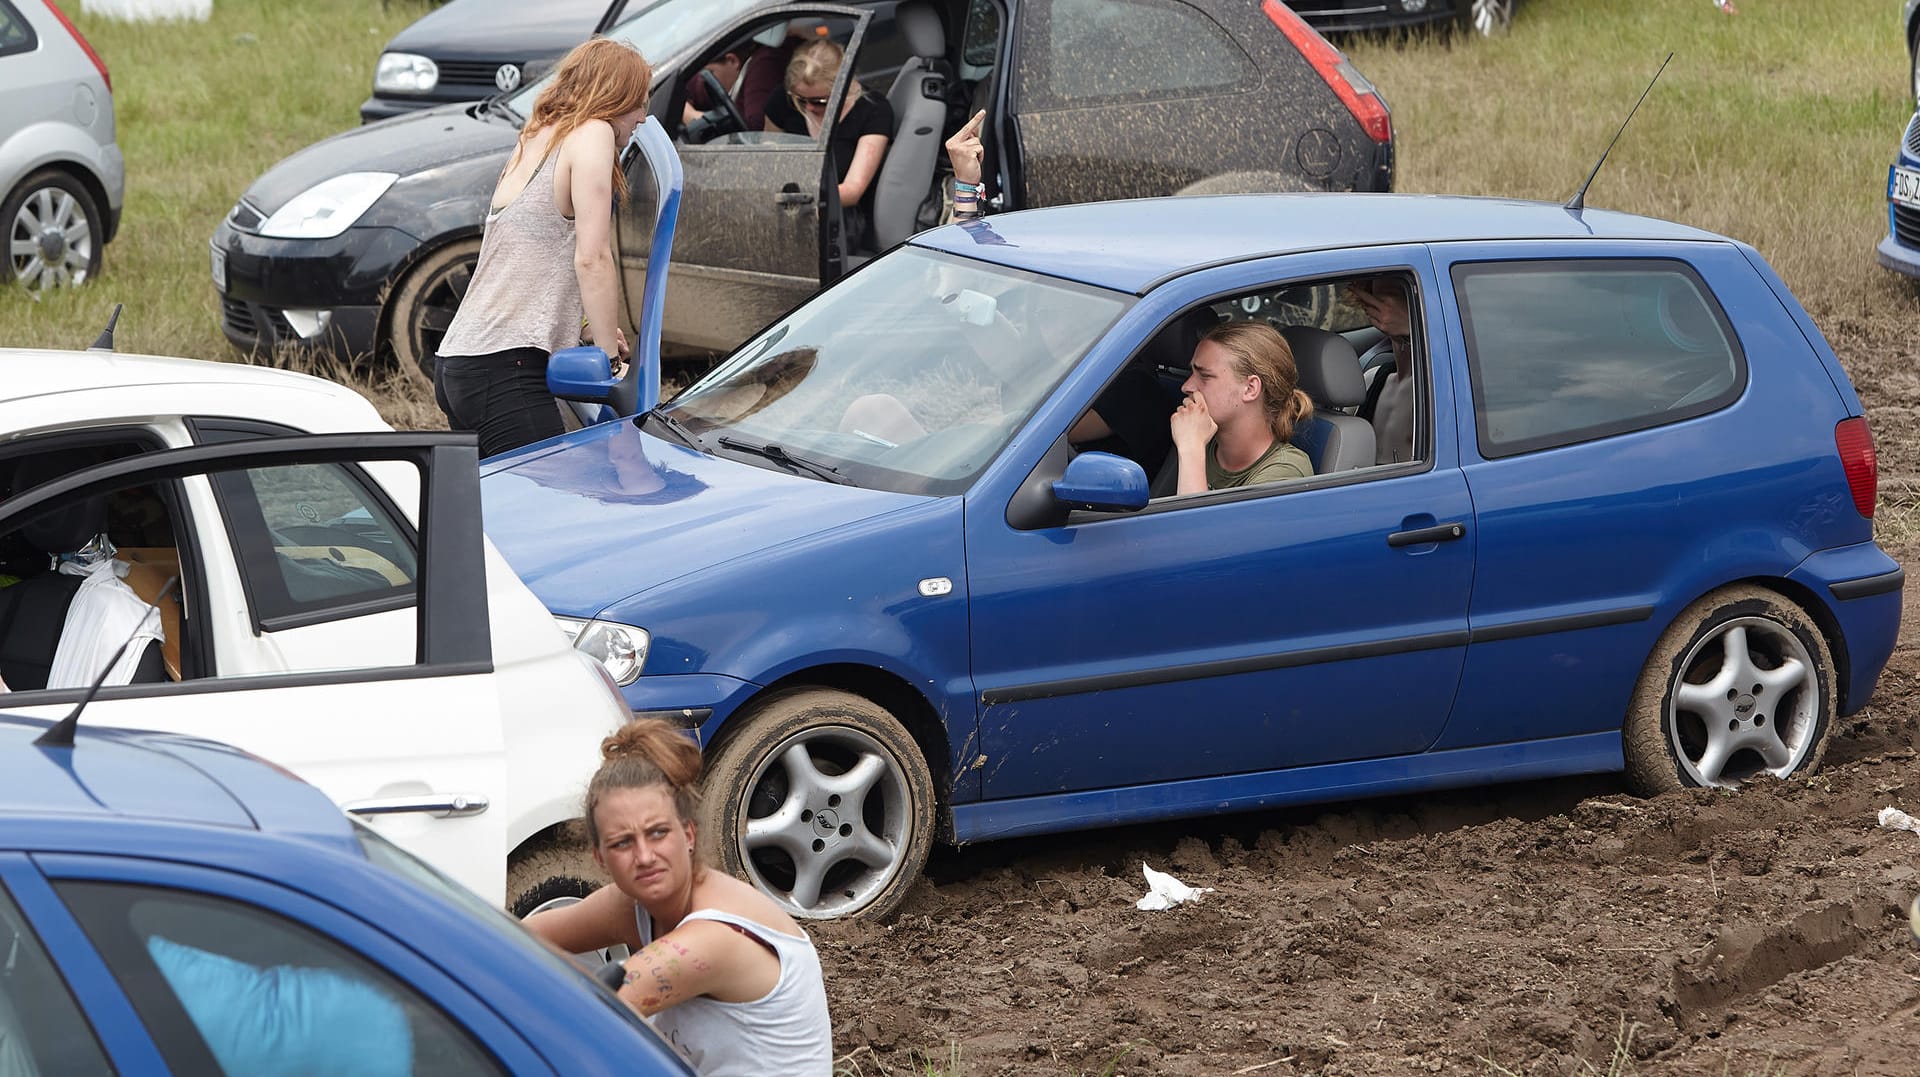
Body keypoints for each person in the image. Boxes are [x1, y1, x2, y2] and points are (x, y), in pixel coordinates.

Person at [524, 720, 832, 1075]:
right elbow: (511, 938)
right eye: (622, 843)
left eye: (657, 833)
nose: (644, 856)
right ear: (599, 857)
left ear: (688, 833)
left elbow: (585, 1021)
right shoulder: (630, 907)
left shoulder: (712, 939)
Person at [432, 38, 650, 459]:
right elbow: (592, 258)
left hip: (461, 363)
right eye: (638, 103)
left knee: (498, 519)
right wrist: (607, 361)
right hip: (504, 371)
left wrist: (585, 324)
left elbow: (534, 254)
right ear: (612, 95)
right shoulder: (594, 133)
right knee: (546, 512)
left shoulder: (541, 135)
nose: (642, 117)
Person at [763, 39, 893, 254]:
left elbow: (852, 190)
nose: (810, 108)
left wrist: (801, 204)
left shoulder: (873, 110)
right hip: (784, 209)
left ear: (844, 86)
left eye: (821, 101)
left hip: (840, 219)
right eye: (801, 100)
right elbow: (768, 161)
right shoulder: (782, 102)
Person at [1169, 321, 1314, 495]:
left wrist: (1191, 448)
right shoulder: (1203, 442)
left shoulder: (1286, 471)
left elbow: (1192, 523)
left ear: (1250, 388)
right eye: (1192, 373)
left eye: (1205, 376)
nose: (1186, 386)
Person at [1347, 277, 1416, 465]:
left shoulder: (1437, 389)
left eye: (1398, 294)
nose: (1386, 305)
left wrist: (1412, 329)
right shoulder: (1371, 379)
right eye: (1378, 298)